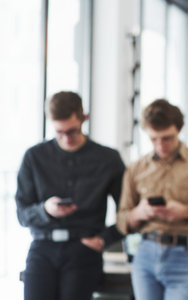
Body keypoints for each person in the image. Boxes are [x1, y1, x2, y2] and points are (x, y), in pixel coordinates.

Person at [16, 91, 125, 300]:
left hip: (83, 249)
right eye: (59, 132)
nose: (66, 138)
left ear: (84, 118)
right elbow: (22, 214)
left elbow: (128, 210)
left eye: (72, 131)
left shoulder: (107, 159)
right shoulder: (34, 157)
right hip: (43, 248)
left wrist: (105, 239)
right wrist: (45, 210)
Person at [116, 99, 188, 300]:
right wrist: (138, 213)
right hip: (145, 255)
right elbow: (122, 220)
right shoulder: (136, 168)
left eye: (167, 138)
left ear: (180, 129)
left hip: (187, 256)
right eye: (154, 139)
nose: (160, 145)